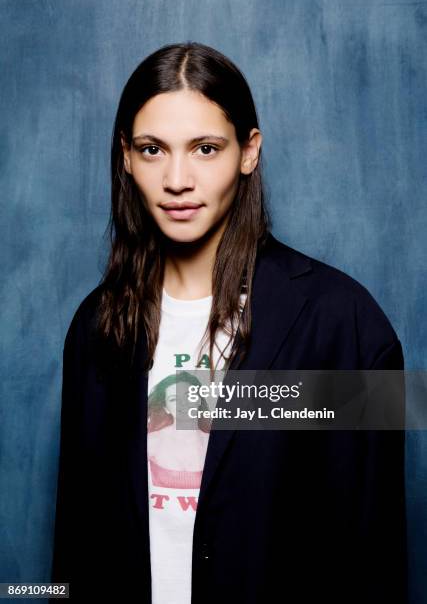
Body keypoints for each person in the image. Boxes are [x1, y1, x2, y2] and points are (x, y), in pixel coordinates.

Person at [50, 42, 407, 603]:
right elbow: (75, 547)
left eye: (205, 148)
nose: (176, 179)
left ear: (249, 152)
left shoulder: (344, 324)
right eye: (152, 149)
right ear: (125, 156)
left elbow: (372, 556)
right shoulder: (96, 325)